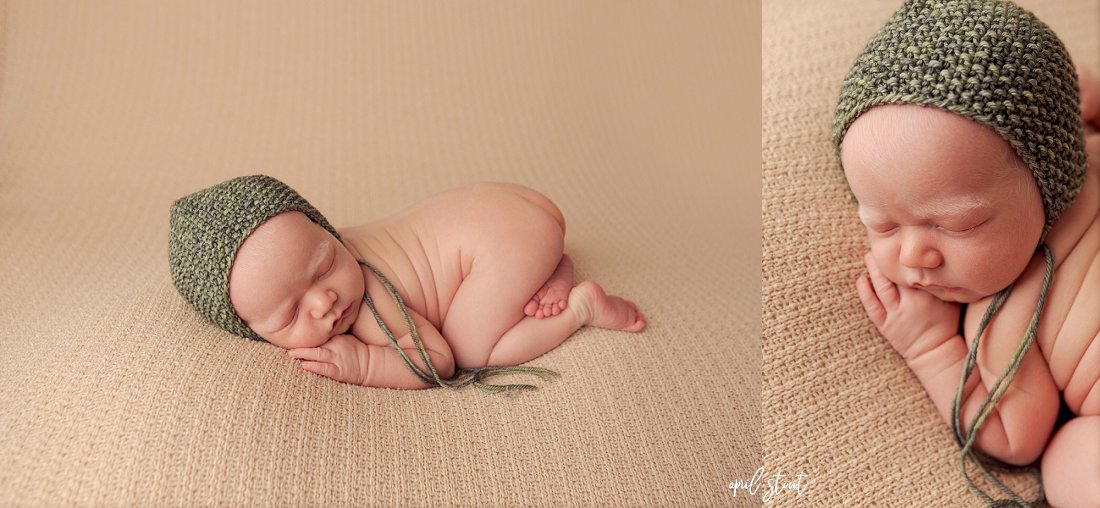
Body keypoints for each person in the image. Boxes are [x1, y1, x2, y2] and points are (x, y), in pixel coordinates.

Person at [833, 0, 1099, 505]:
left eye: (959, 225)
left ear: (1049, 176)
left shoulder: (1004, 310)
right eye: (882, 224)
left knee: (1070, 454)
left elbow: (1015, 439)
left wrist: (932, 348)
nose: (915, 255)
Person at [169, 176, 645, 393]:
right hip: (513, 205)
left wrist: (364, 364)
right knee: (509, 270)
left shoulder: (369, 294)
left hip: (504, 240)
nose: (324, 300)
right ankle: (549, 267)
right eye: (290, 315)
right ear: (248, 330)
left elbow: (437, 361)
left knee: (473, 350)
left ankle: (580, 306)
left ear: (325, 229)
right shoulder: (312, 262)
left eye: (324, 265)